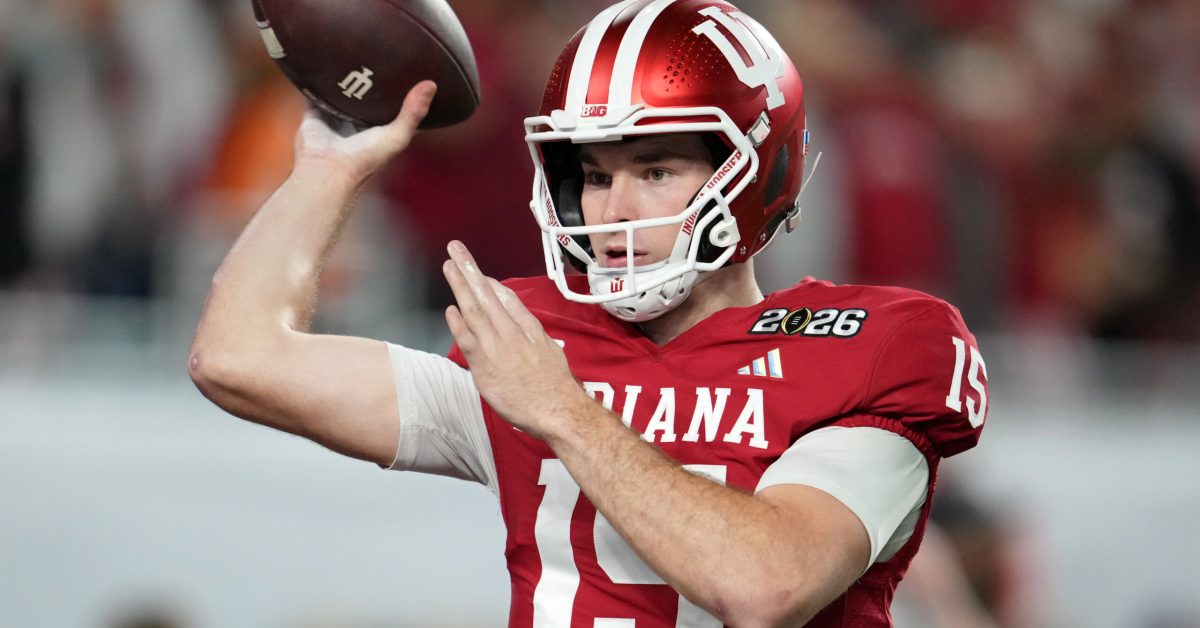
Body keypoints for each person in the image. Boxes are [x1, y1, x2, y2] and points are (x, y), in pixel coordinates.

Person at [189, 0, 989, 626]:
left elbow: (765, 586)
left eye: (656, 168)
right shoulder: (539, 346)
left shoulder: (870, 348)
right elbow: (238, 358)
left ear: (757, 174)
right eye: (593, 176)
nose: (613, 210)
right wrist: (330, 167)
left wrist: (565, 412)